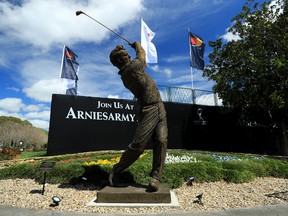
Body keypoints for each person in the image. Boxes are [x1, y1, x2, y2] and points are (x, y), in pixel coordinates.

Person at [109, 41, 168, 192]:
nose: (128, 55)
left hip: (159, 106)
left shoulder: (129, 70)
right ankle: (116, 170)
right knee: (138, 146)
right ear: (120, 61)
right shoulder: (131, 69)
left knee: (161, 140)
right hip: (148, 109)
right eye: (125, 55)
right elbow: (142, 54)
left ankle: (156, 177)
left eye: (127, 54)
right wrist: (136, 45)